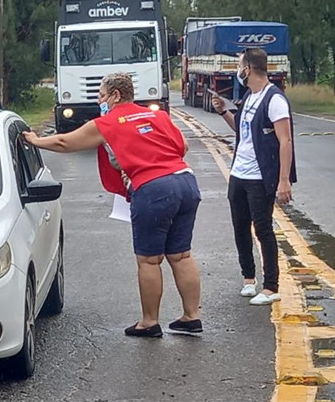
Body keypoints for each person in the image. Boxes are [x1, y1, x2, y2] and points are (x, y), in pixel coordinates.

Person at [23, 72, 202, 338]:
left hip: (153, 190)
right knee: (181, 255)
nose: (100, 101)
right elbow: (183, 145)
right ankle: (191, 317)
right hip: (185, 182)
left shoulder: (108, 122)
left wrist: (35, 141)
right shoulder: (157, 116)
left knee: (150, 261)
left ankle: (149, 322)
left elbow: (65, 141)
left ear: (116, 95)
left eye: (102, 96)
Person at [212, 47, 297, 306]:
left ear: (247, 68)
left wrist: (283, 180)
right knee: (240, 227)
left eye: (239, 65)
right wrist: (223, 112)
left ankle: (271, 286)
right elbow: (242, 129)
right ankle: (249, 279)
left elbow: (285, 140)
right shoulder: (250, 96)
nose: (238, 70)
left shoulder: (275, 99)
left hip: (260, 177)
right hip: (239, 173)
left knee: (263, 229)